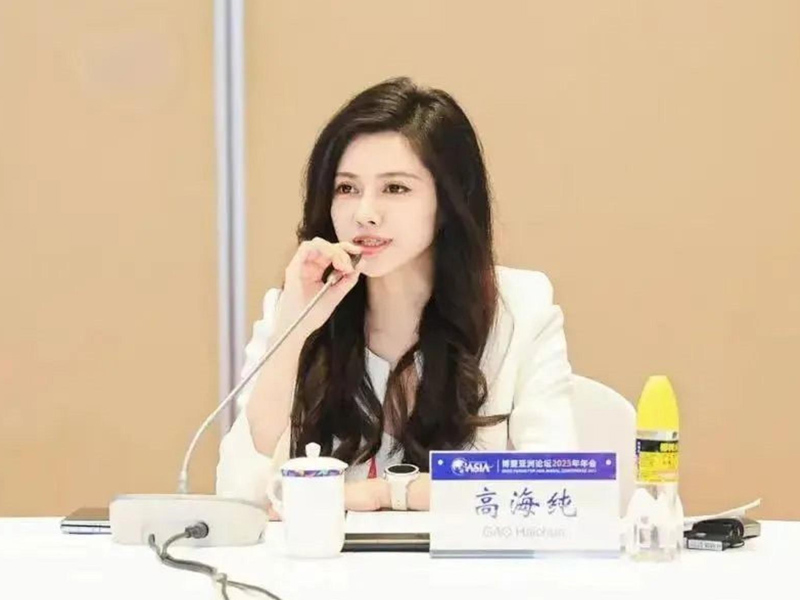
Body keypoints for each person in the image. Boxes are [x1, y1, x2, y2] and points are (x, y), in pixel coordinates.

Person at [215, 76, 578, 513]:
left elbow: (556, 488)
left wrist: (387, 493)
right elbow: (238, 500)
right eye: (346, 188)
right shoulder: (293, 307)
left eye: (395, 188)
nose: (365, 213)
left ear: (448, 201)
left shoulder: (520, 308)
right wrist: (293, 331)